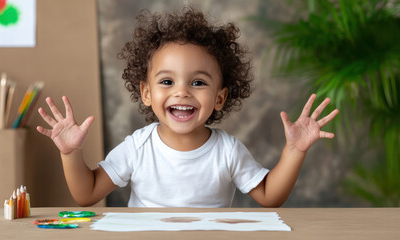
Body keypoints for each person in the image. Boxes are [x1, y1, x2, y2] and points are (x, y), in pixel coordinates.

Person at [36, 7, 338, 208]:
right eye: (167, 82)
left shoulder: (228, 151)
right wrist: (70, 153)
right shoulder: (138, 148)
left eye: (198, 83)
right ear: (146, 93)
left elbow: (270, 196)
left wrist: (294, 151)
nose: (182, 92)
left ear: (219, 98)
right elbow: (86, 194)